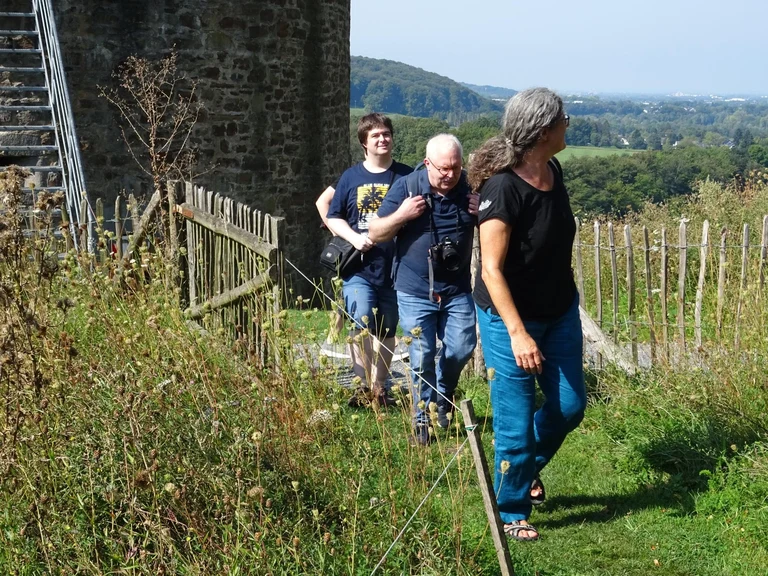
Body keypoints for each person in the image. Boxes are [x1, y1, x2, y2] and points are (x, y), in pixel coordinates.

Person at [470, 88, 586, 541]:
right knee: (515, 421)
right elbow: (491, 269)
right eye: (562, 119)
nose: (567, 124)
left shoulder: (553, 171)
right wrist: (518, 334)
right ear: (542, 132)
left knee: (570, 406)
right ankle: (511, 509)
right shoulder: (503, 189)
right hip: (509, 320)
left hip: (559, 311)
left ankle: (520, 470)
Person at [369, 134, 478, 445]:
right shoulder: (408, 187)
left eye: (456, 167)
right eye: (443, 168)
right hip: (415, 288)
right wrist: (402, 215)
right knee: (421, 354)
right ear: (427, 163)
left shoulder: (471, 188)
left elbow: (499, 227)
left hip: (456, 288)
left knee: (462, 348)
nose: (450, 175)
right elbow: (376, 231)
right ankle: (422, 420)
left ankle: (444, 391)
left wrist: (483, 213)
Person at [326, 113, 412, 406]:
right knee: (360, 320)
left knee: (387, 328)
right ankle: (361, 385)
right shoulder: (351, 177)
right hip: (359, 267)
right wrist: (354, 238)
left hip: (396, 266)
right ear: (364, 142)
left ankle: (379, 387)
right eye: (375, 135)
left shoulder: (406, 176)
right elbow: (333, 216)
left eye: (386, 133)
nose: (382, 139)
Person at [315, 181, 349, 359]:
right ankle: (331, 339)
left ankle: (332, 338)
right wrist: (337, 231)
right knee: (349, 289)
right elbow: (322, 201)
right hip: (352, 244)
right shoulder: (351, 176)